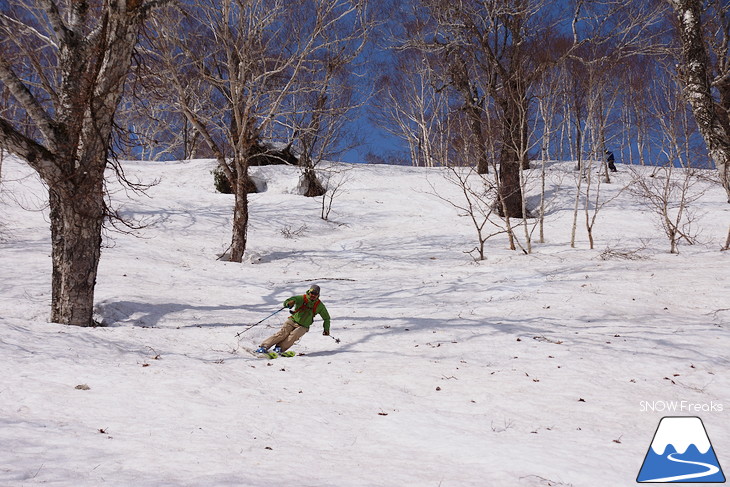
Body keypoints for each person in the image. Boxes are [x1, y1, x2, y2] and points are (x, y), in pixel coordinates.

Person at [255, 285, 331, 355]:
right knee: (282, 334)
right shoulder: (301, 298)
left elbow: (326, 318)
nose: (313, 295)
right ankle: (264, 347)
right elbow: (288, 301)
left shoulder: (319, 305)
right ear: (309, 292)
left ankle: (279, 348)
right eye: (312, 293)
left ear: (318, 295)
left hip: (304, 326)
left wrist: (326, 329)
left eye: (315, 294)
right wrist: (289, 303)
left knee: (293, 336)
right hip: (292, 320)